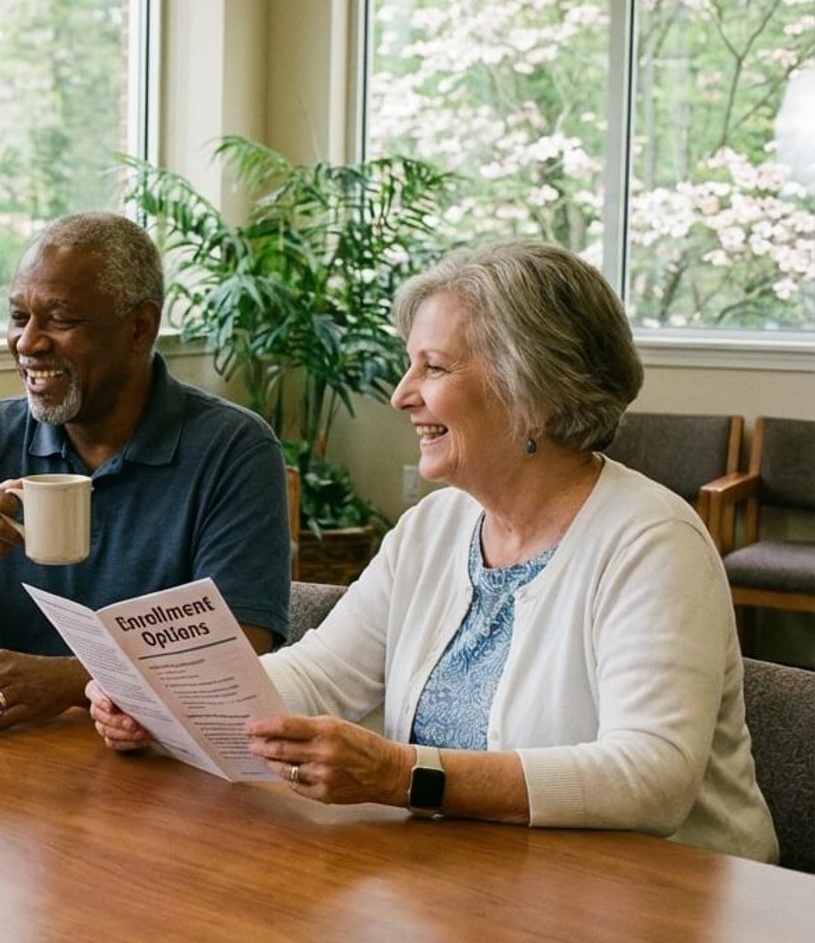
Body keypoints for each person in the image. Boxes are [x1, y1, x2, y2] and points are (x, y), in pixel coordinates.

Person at [89, 241, 778, 862]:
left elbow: (650, 777)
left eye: (435, 366)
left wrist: (402, 773)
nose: (400, 394)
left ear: (532, 389)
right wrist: (168, 702)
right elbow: (323, 674)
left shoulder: (653, 541)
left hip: (672, 909)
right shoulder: (434, 527)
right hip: (481, 885)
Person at [0, 211, 291, 733]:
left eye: (59, 320)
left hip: (164, 764)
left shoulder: (233, 449)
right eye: (19, 317)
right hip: (13, 756)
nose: (28, 343)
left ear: (139, 326)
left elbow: (239, 649)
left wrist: (70, 682)